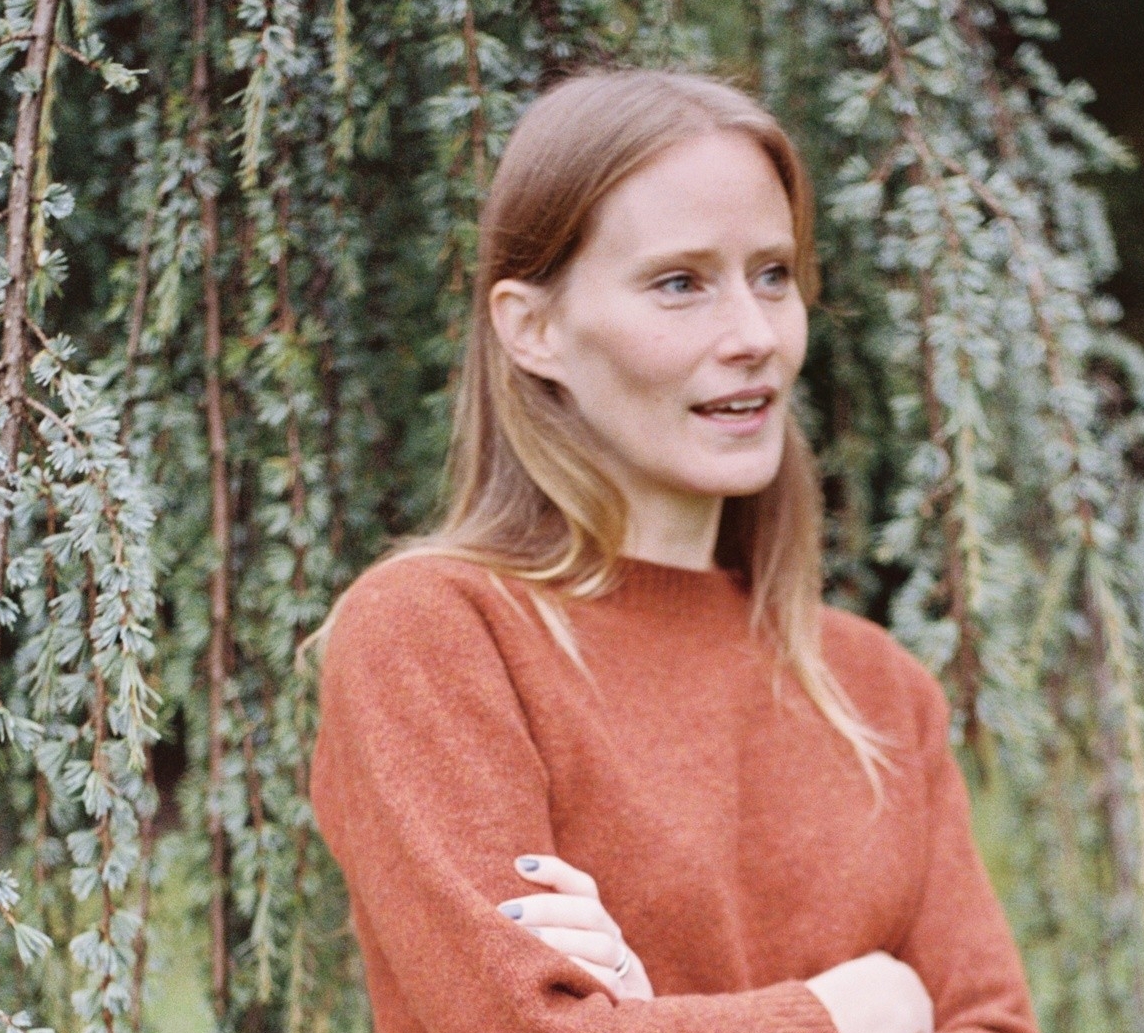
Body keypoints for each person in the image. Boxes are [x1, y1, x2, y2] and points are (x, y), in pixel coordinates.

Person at [302, 66, 1039, 1033]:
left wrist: (656, 1017)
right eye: (680, 283)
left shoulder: (879, 690)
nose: (754, 334)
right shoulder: (437, 635)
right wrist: (844, 1011)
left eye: (773, 275)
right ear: (534, 329)